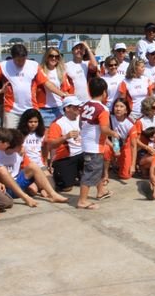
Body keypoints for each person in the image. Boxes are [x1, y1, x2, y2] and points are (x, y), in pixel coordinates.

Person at [0, 44, 67, 129]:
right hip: (11, 111)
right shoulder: (3, 66)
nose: (21, 63)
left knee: (33, 135)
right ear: (12, 57)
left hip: (31, 108)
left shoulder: (34, 65)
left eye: (23, 60)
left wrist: (63, 94)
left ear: (26, 57)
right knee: (10, 135)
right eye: (18, 60)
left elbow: (47, 83)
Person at [77, 77, 120, 209]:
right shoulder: (103, 109)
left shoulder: (85, 105)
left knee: (97, 168)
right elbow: (104, 129)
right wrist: (113, 134)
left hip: (87, 143)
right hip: (94, 146)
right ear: (104, 92)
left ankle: (101, 191)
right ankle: (82, 201)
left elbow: (80, 124)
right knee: (90, 172)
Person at [0, 129, 68, 206]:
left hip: (17, 182)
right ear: (12, 145)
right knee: (2, 170)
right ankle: (25, 197)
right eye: (20, 144)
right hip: (5, 188)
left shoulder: (19, 153)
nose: (23, 146)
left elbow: (26, 168)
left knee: (33, 165)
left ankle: (53, 194)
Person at [46, 96, 84, 192]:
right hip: (66, 157)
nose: (78, 109)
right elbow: (51, 144)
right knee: (66, 187)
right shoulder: (57, 123)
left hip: (82, 153)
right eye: (75, 107)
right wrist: (65, 137)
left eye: (79, 106)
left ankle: (77, 174)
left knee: (92, 178)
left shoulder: (82, 118)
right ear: (67, 108)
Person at [37, 47, 71, 128]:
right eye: (51, 56)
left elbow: (65, 90)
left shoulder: (62, 72)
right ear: (46, 57)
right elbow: (49, 86)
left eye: (56, 56)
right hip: (43, 109)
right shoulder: (40, 70)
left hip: (59, 108)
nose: (54, 58)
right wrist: (63, 95)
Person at [133, 96, 155, 178]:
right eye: (154, 107)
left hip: (152, 147)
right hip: (143, 150)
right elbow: (136, 140)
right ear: (148, 108)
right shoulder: (140, 122)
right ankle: (142, 166)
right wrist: (147, 148)